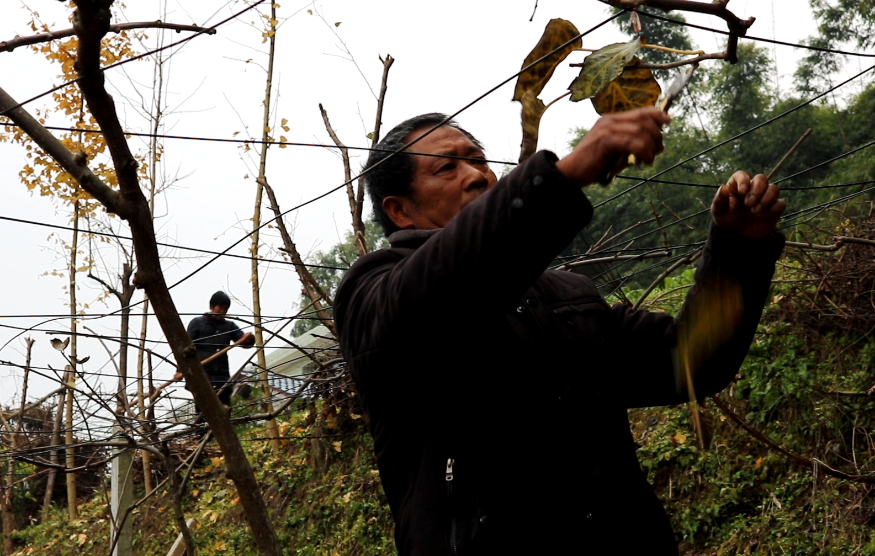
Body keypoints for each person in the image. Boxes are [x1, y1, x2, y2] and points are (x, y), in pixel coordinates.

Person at [333, 109, 786, 555]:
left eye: (478, 159)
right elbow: (438, 294)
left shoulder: (569, 296)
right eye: (447, 167)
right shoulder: (373, 294)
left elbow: (692, 358)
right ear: (400, 209)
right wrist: (560, 176)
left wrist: (738, 249)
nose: (475, 174)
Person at [186, 291, 254, 406]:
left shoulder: (229, 326)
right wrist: (180, 370)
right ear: (212, 306)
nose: (223, 311)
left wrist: (248, 339)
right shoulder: (197, 323)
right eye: (220, 307)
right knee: (204, 410)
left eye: (225, 309)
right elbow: (184, 349)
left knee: (224, 408)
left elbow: (242, 341)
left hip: (222, 377)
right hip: (201, 375)